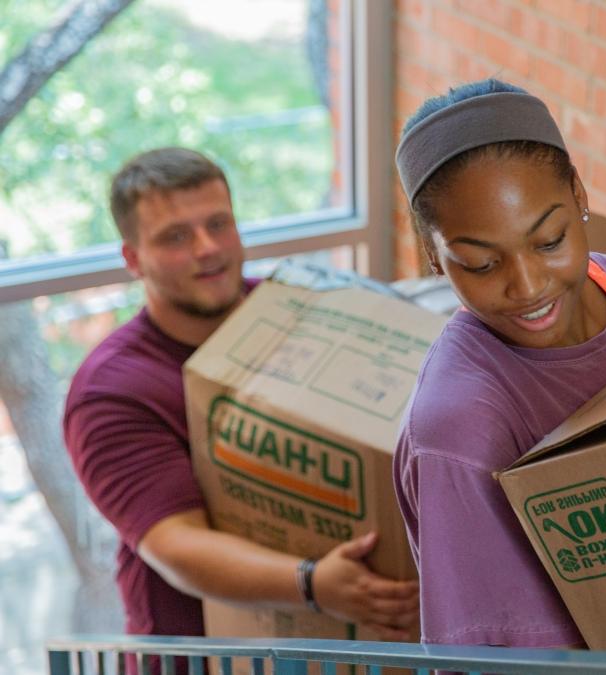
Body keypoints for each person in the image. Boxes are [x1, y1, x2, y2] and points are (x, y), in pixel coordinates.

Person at [63, 147, 419, 645]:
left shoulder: (297, 311)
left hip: (334, 637)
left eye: (218, 224)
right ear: (133, 258)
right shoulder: (112, 393)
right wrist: (313, 583)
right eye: (176, 237)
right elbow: (175, 544)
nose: (208, 248)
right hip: (199, 652)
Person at [392, 79, 606, 647]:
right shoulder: (459, 426)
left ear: (580, 196)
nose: (528, 287)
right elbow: (491, 652)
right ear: (434, 258)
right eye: (482, 265)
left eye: (550, 240)